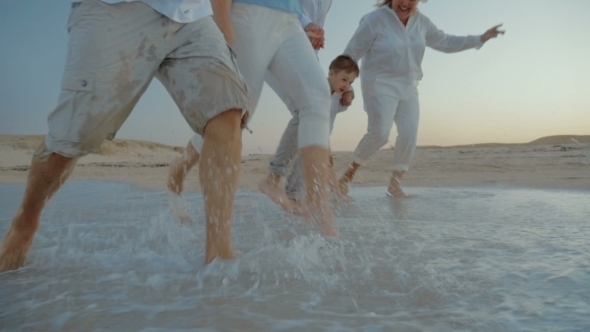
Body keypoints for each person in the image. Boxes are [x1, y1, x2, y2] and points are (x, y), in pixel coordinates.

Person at [0, 0, 251, 271]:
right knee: (73, 138)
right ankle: (26, 219)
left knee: (227, 110)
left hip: (193, 14)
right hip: (115, 7)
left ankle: (219, 254)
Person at [167, 0, 338, 236]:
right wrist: (223, 20)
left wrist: (306, 22)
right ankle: (181, 166)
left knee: (318, 97)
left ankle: (318, 205)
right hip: (248, 14)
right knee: (233, 117)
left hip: (289, 20)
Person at [338, 0, 505, 198]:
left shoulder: (422, 22)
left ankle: (395, 186)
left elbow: (445, 41)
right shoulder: (375, 20)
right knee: (380, 133)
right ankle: (346, 177)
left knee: (409, 134)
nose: (406, 2)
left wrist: (479, 38)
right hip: (379, 84)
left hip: (409, 86)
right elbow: (351, 54)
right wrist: (344, 86)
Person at [256, 0, 357, 210]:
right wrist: (303, 28)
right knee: (308, 110)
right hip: (275, 46)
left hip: (305, 55)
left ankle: (300, 195)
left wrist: (347, 86)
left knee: (316, 119)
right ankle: (275, 179)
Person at [284, 55, 359, 202]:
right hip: (306, 133)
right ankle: (292, 197)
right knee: (301, 165)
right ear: (331, 74)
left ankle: (333, 192)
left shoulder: (338, 96)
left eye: (350, 82)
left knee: (325, 163)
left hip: (322, 136)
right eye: (344, 80)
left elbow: (344, 93)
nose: (347, 85)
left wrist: (351, 92)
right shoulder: (318, 86)